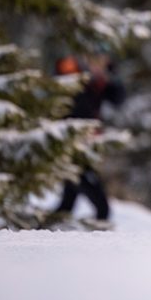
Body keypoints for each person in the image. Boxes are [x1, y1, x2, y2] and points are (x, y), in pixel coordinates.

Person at [48, 52, 126, 227]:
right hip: (68, 143)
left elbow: (118, 99)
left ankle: (42, 232)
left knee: (68, 201)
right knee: (101, 205)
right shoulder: (71, 70)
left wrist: (113, 76)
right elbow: (56, 81)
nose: (99, 65)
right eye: (95, 60)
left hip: (88, 144)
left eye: (103, 62)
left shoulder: (99, 82)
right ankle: (97, 236)